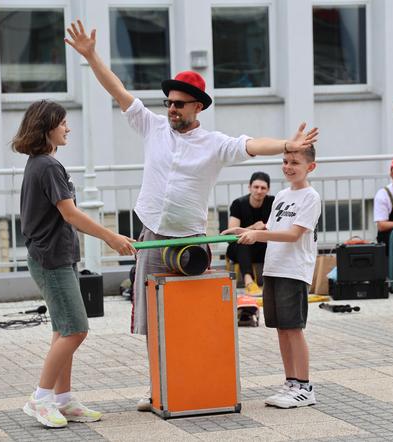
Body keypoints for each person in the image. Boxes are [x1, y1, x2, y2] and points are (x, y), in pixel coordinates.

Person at [64, 20, 318, 411]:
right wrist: (91, 55)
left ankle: (187, 385)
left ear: (197, 107)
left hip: (190, 240)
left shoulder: (214, 144)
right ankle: (158, 390)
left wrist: (286, 143)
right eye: (168, 103)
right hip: (152, 231)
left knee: (188, 317)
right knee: (151, 321)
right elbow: (117, 89)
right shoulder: (151, 126)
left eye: (179, 104)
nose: (171, 109)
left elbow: (252, 145)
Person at [14, 100, 136, 428]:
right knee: (77, 330)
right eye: (63, 123)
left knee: (63, 329)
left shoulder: (41, 163)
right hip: (51, 260)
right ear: (46, 128)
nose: (68, 128)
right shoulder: (47, 166)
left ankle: (63, 399)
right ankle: (40, 399)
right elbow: (70, 214)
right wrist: (111, 237)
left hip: (57, 257)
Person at [223, 146, 321, 408]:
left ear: (310, 167)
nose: (288, 166)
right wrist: (245, 230)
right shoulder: (282, 196)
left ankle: (304, 386)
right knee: (280, 328)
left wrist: (257, 236)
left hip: (294, 270)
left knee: (293, 328)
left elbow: (292, 234)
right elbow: (273, 227)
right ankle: (291, 383)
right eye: (285, 161)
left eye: (295, 163)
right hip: (273, 268)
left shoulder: (310, 197)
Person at [226, 171, 275, 295]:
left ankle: (279, 282)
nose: (259, 191)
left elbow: (279, 230)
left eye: (263, 188)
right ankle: (249, 282)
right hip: (239, 248)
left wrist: (264, 228)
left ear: (268, 189)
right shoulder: (239, 204)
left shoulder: (273, 203)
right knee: (244, 241)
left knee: (278, 243)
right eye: (256, 187)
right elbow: (231, 235)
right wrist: (253, 228)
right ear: (249, 187)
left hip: (263, 245)